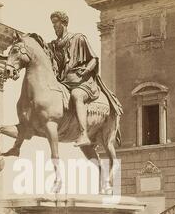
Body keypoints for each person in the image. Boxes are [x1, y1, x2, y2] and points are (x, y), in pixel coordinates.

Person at [48, 11, 122, 148]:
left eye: (56, 23)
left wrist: (86, 70)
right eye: (52, 24)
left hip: (83, 81)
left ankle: (83, 134)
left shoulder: (79, 38)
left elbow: (93, 59)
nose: (54, 27)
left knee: (76, 95)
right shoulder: (53, 45)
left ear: (63, 23)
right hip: (65, 82)